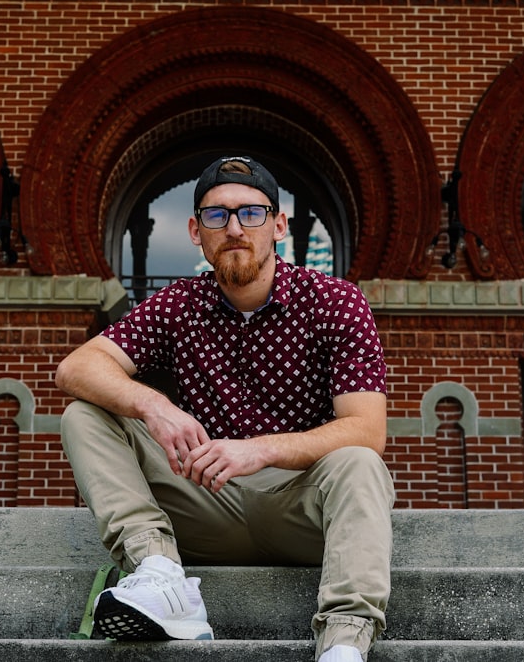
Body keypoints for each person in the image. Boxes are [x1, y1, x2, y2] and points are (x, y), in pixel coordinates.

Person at [56, 155, 395, 662]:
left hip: (303, 508)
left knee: (360, 461)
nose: (234, 228)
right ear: (196, 231)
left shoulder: (334, 301)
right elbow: (76, 368)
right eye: (217, 216)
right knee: (85, 413)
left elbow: (368, 430)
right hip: (204, 503)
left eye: (251, 213)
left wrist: (259, 450)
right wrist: (154, 405)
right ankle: (162, 576)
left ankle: (344, 641)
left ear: (278, 224)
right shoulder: (178, 304)